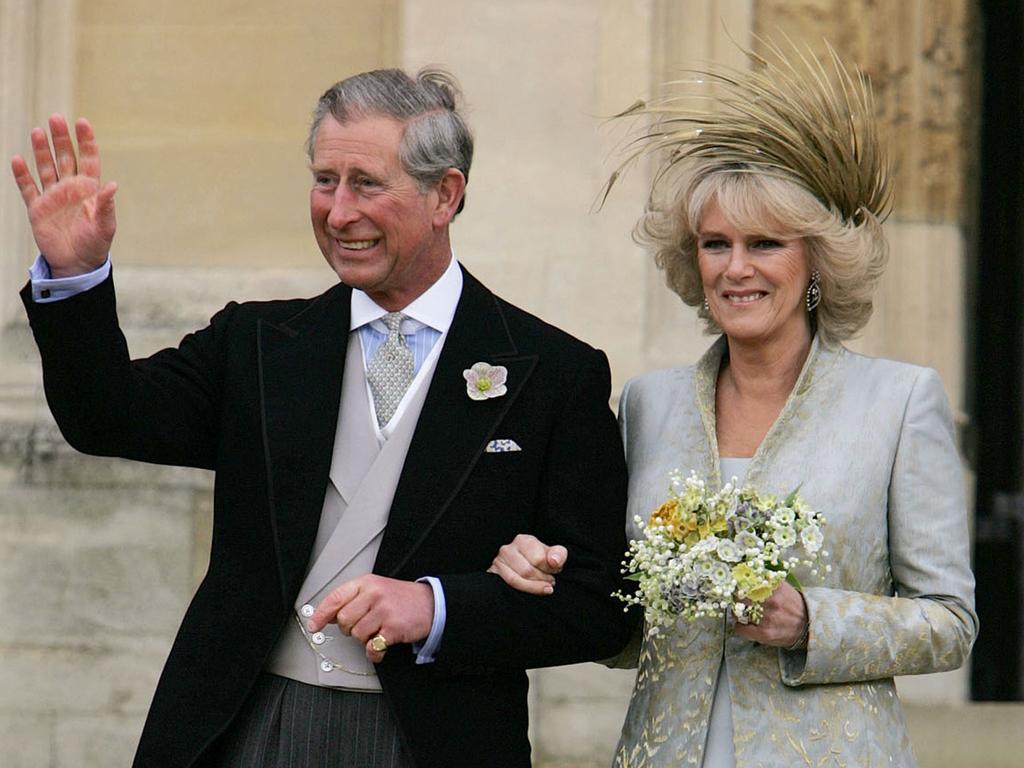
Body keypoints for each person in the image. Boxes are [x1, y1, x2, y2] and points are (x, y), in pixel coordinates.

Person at [10, 68, 637, 768]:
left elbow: (603, 603)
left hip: (434, 740)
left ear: (445, 195)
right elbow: (107, 419)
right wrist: (76, 281)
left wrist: (439, 608)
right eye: (324, 181)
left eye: (366, 183)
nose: (338, 213)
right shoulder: (257, 344)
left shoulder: (551, 372)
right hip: (247, 725)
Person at [487, 41, 978, 767]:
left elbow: (950, 623)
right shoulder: (650, 406)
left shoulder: (899, 402)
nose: (736, 268)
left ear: (815, 260)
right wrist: (548, 577)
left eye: (765, 243)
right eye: (716, 244)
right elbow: (623, 626)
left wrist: (809, 619)